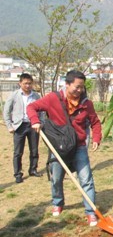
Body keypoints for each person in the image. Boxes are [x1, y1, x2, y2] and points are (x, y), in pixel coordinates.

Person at [27, 70, 102, 227]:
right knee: (56, 178)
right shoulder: (53, 98)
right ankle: (58, 202)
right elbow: (32, 107)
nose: (80, 90)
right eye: (77, 87)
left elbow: (95, 122)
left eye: (82, 87)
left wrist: (96, 137)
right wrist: (35, 121)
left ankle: (90, 212)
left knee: (86, 179)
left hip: (79, 146)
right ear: (67, 84)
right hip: (59, 147)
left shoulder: (86, 103)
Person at [3, 73, 43, 183]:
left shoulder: (36, 96)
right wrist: (9, 126)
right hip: (19, 126)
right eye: (25, 83)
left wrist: (41, 122)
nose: (28, 86)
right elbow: (6, 111)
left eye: (30, 83)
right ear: (20, 83)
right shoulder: (14, 95)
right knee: (18, 152)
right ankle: (18, 174)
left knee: (34, 149)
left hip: (33, 125)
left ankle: (33, 169)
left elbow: (41, 111)